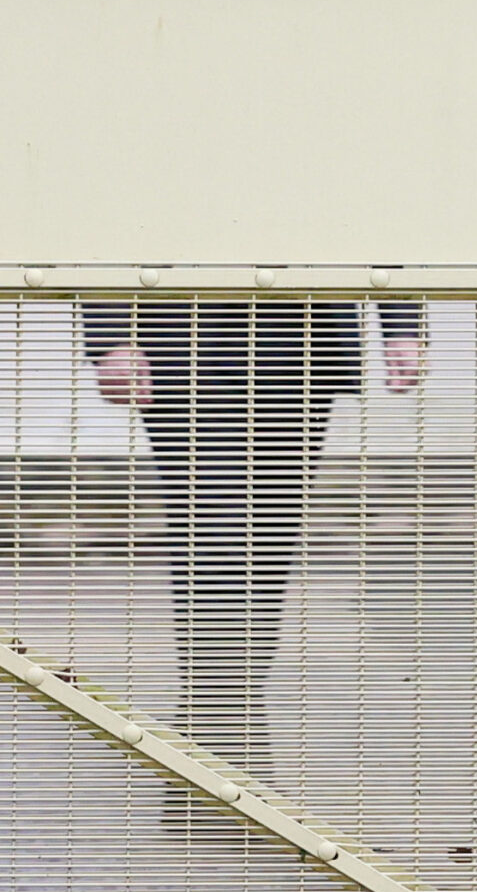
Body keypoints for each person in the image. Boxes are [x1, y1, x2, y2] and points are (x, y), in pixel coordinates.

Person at [84, 298, 427, 764]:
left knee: (266, 543)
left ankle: (215, 762)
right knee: (220, 539)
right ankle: (222, 763)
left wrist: (402, 323)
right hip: (185, 329)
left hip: (306, 332)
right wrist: (110, 334)